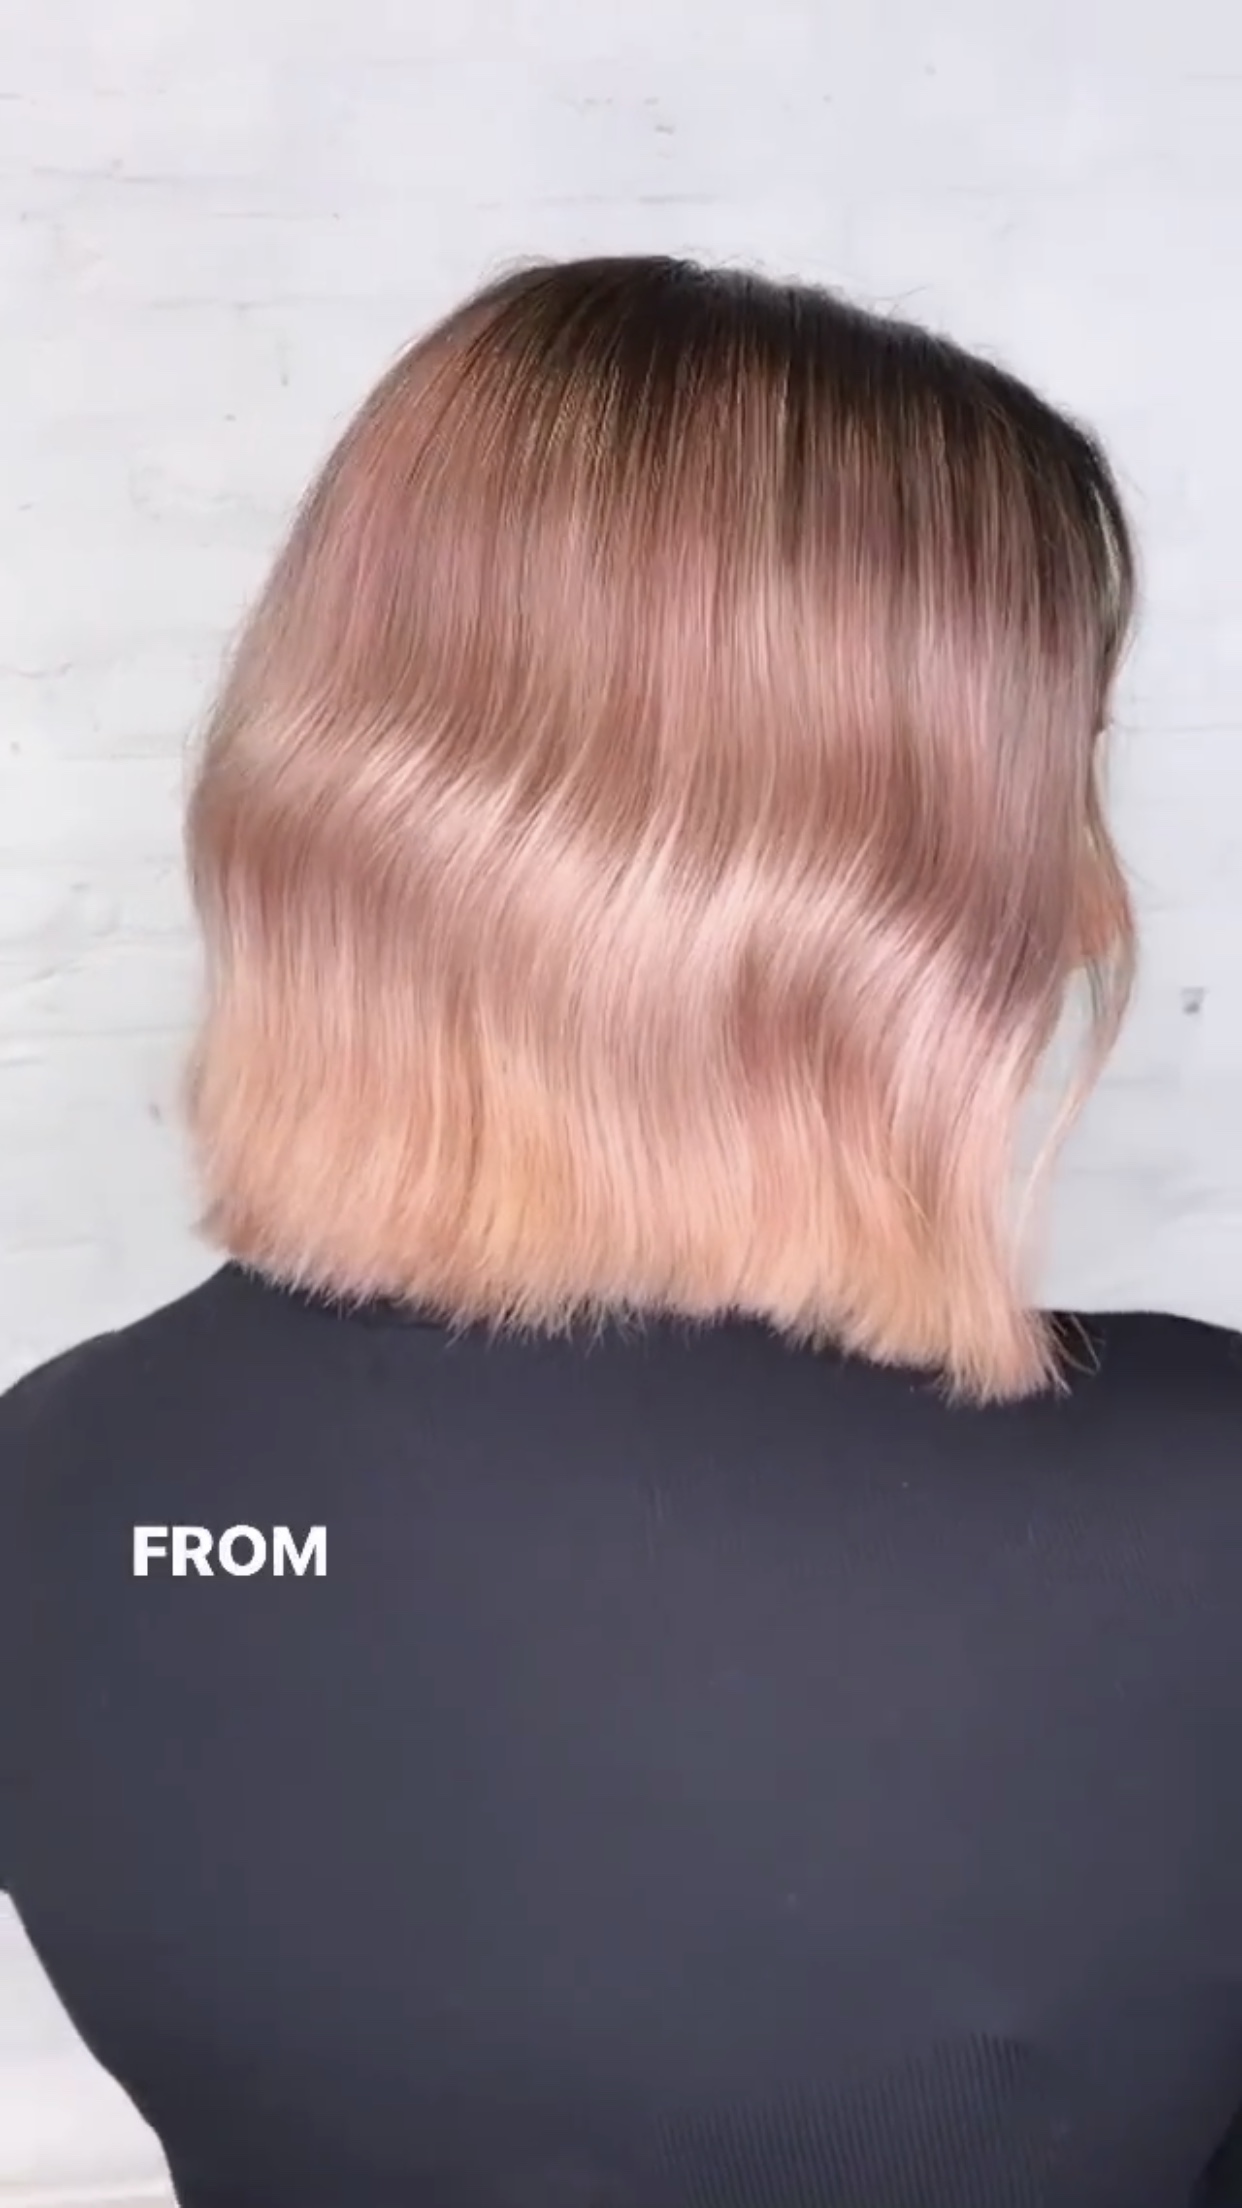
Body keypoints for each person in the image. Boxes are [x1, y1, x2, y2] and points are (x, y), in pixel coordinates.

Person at [1, 254, 1240, 2208]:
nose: (1087, 909)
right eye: (1052, 792)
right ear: (870, 887)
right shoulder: (1200, 1521)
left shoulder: (61, 1482)